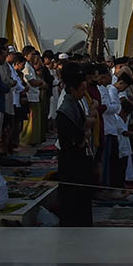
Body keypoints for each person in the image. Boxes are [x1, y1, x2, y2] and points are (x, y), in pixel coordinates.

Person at [56, 61, 94, 226]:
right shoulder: (65, 109)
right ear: (72, 89)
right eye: (82, 90)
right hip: (71, 160)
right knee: (72, 197)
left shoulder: (75, 103)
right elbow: (74, 137)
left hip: (78, 158)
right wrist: (84, 133)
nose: (84, 93)